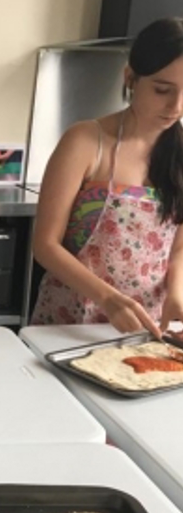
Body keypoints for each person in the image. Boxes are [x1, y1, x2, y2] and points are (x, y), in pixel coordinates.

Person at [31, 17, 183, 338]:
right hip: (71, 320)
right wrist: (108, 298)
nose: (176, 106)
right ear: (130, 77)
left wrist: (177, 295)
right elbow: (45, 245)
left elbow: (179, 245)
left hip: (146, 325)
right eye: (162, 90)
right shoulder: (86, 142)